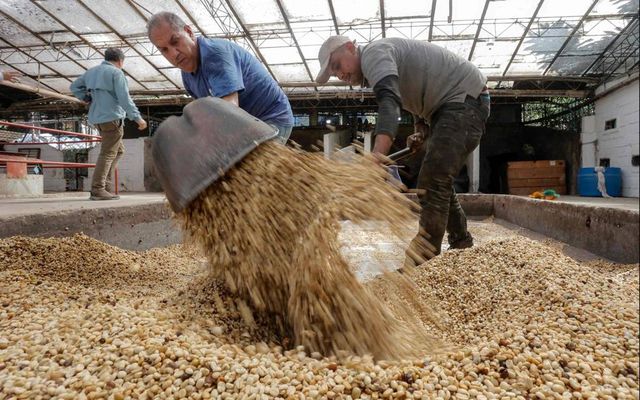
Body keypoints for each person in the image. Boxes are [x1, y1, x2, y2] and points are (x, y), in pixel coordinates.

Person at [315, 36, 490, 267]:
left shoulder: (373, 54)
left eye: (337, 66)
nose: (340, 75)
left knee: (433, 181)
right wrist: (421, 128)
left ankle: (421, 262)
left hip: (464, 100)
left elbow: (390, 102)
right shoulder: (379, 60)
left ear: (350, 48)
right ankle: (461, 242)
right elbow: (417, 92)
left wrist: (376, 157)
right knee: (438, 180)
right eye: (334, 73)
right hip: (450, 105)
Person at [147, 12, 293, 144]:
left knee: (259, 168)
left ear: (189, 32)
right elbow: (208, 110)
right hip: (246, 126)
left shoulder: (215, 55)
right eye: (164, 50)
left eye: (175, 41)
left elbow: (229, 108)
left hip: (271, 118)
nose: (174, 54)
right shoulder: (187, 75)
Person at [70, 48, 147, 200]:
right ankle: (98, 189)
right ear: (120, 61)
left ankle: (105, 185)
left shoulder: (91, 72)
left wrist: (86, 98)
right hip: (112, 118)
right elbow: (124, 99)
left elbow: (74, 87)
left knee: (118, 151)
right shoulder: (117, 73)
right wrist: (137, 118)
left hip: (97, 119)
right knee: (108, 153)